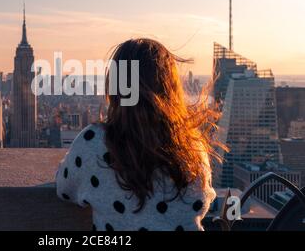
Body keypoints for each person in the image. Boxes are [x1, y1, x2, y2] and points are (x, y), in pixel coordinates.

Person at [56, 38, 225, 231]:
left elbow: (65, 188)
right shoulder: (193, 145)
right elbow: (204, 202)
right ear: (170, 88)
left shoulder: (93, 142)